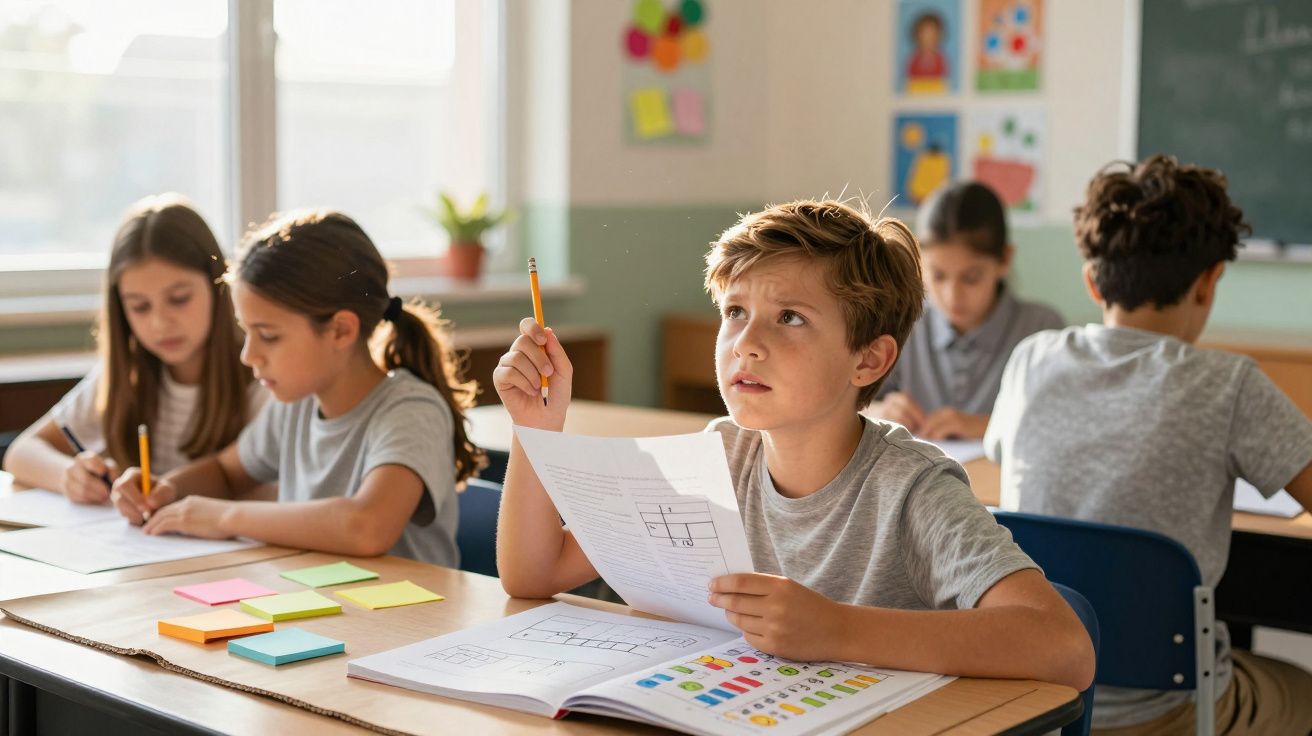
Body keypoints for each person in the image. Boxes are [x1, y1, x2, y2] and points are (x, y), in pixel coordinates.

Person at [493, 199, 1093, 689]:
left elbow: (1063, 646)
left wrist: (837, 629)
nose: (745, 343)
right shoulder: (717, 458)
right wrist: (534, 428)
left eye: (790, 318)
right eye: (734, 311)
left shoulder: (911, 488)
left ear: (869, 359)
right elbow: (533, 573)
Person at [985, 155, 1312, 734]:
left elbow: (1004, 459)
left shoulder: (1031, 358)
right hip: (1169, 711)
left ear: (1091, 280)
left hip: (1039, 702)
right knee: (1300, 690)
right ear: (1210, 282)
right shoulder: (1228, 385)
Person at [111, 209, 483, 565]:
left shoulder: (411, 410)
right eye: (247, 333)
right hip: (321, 607)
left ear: (340, 330)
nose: (248, 355)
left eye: (268, 336)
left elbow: (366, 527)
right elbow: (225, 472)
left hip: (410, 621)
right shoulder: (297, 404)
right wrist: (166, 489)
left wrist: (225, 517)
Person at [3, 194, 263, 502]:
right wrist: (69, 476)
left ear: (219, 285)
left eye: (179, 299)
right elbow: (21, 453)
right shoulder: (128, 373)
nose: (159, 324)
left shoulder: (262, 372)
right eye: (139, 307)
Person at [867, 181, 1062, 439]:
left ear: (1004, 260)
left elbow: (1063, 423)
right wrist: (882, 410)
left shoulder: (1042, 330)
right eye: (937, 276)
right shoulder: (901, 323)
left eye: (971, 278)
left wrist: (986, 426)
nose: (952, 296)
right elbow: (851, 404)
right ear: (919, 262)